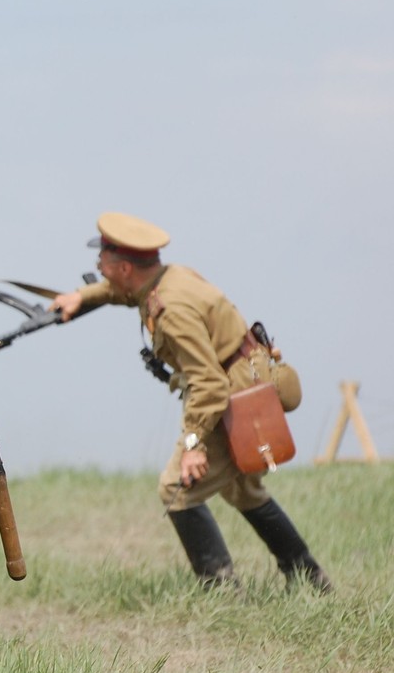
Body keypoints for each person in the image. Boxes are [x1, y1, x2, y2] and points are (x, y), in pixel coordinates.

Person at [50, 212, 331, 593]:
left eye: (102, 261)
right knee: (244, 490)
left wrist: (194, 445)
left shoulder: (173, 312)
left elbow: (209, 384)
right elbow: (125, 291)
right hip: (245, 383)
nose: (98, 265)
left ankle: (222, 595)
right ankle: (310, 580)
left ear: (125, 267)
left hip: (230, 398)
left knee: (176, 490)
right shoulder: (169, 277)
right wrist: (81, 296)